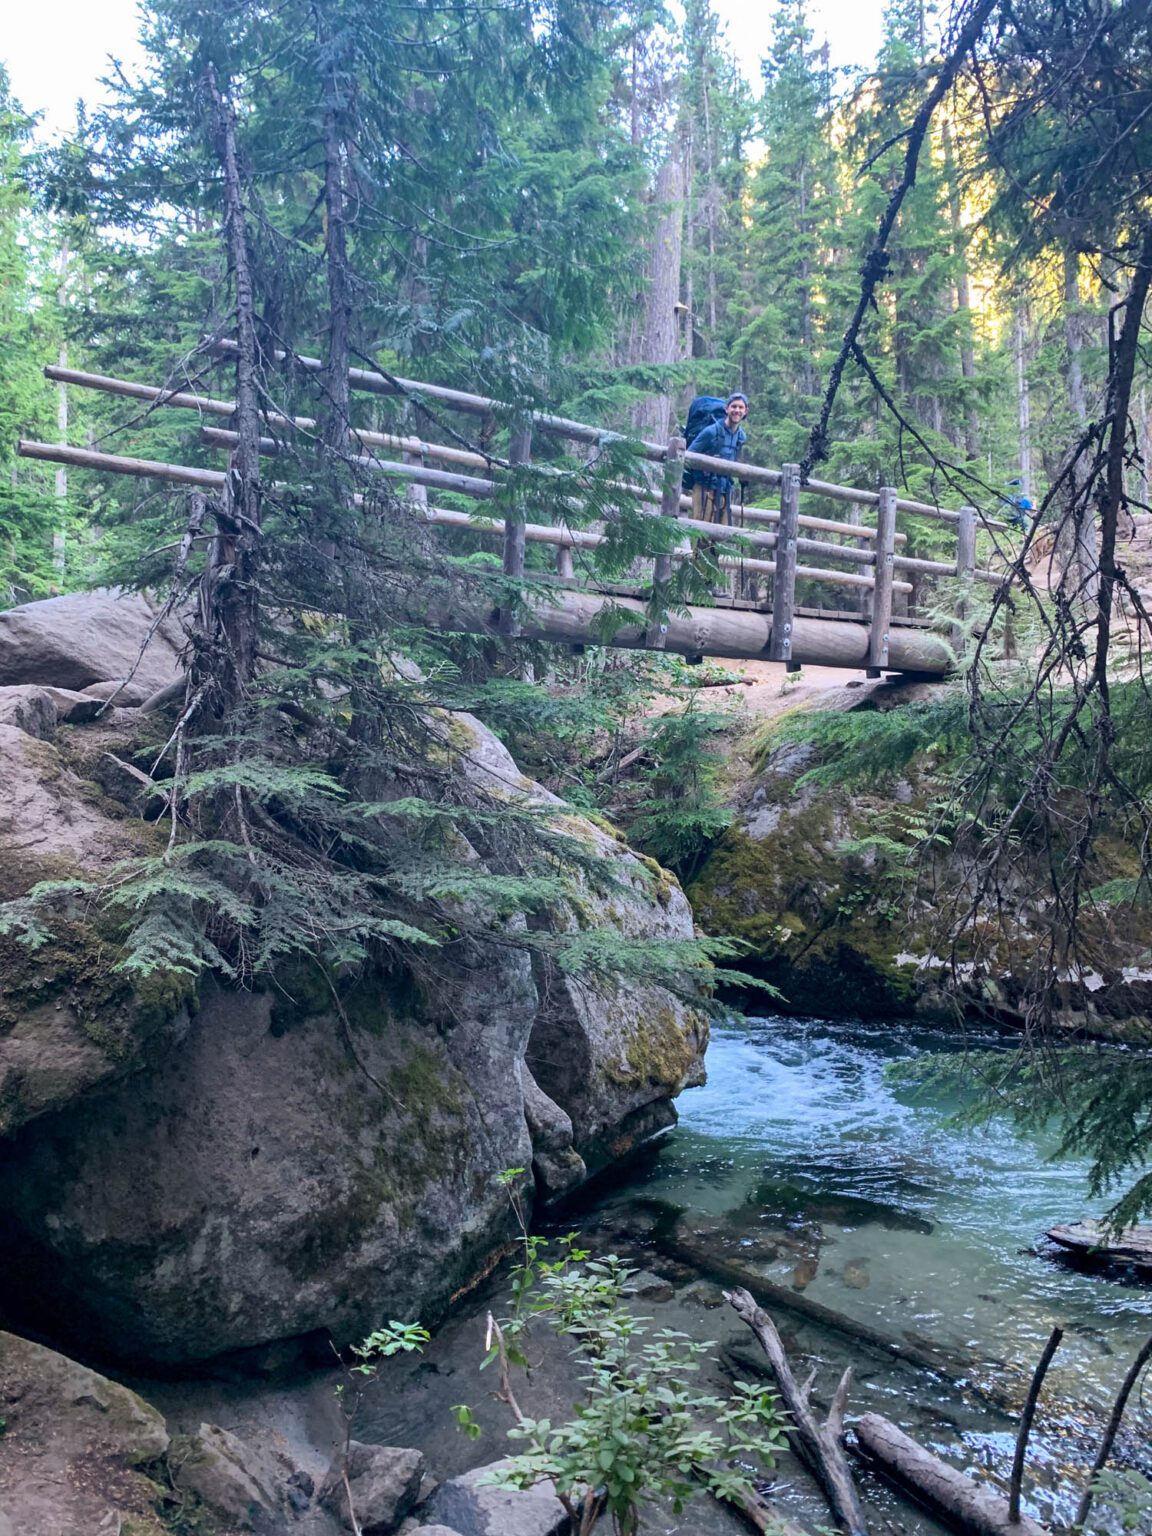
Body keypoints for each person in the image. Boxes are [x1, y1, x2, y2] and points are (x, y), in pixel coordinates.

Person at [686, 392, 749, 526]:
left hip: (725, 489)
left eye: (740, 408)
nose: (737, 410)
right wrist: (708, 463)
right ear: (727, 409)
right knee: (700, 532)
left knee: (720, 535)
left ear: (745, 411)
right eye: (734, 407)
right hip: (704, 487)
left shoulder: (741, 437)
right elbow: (688, 455)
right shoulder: (710, 432)